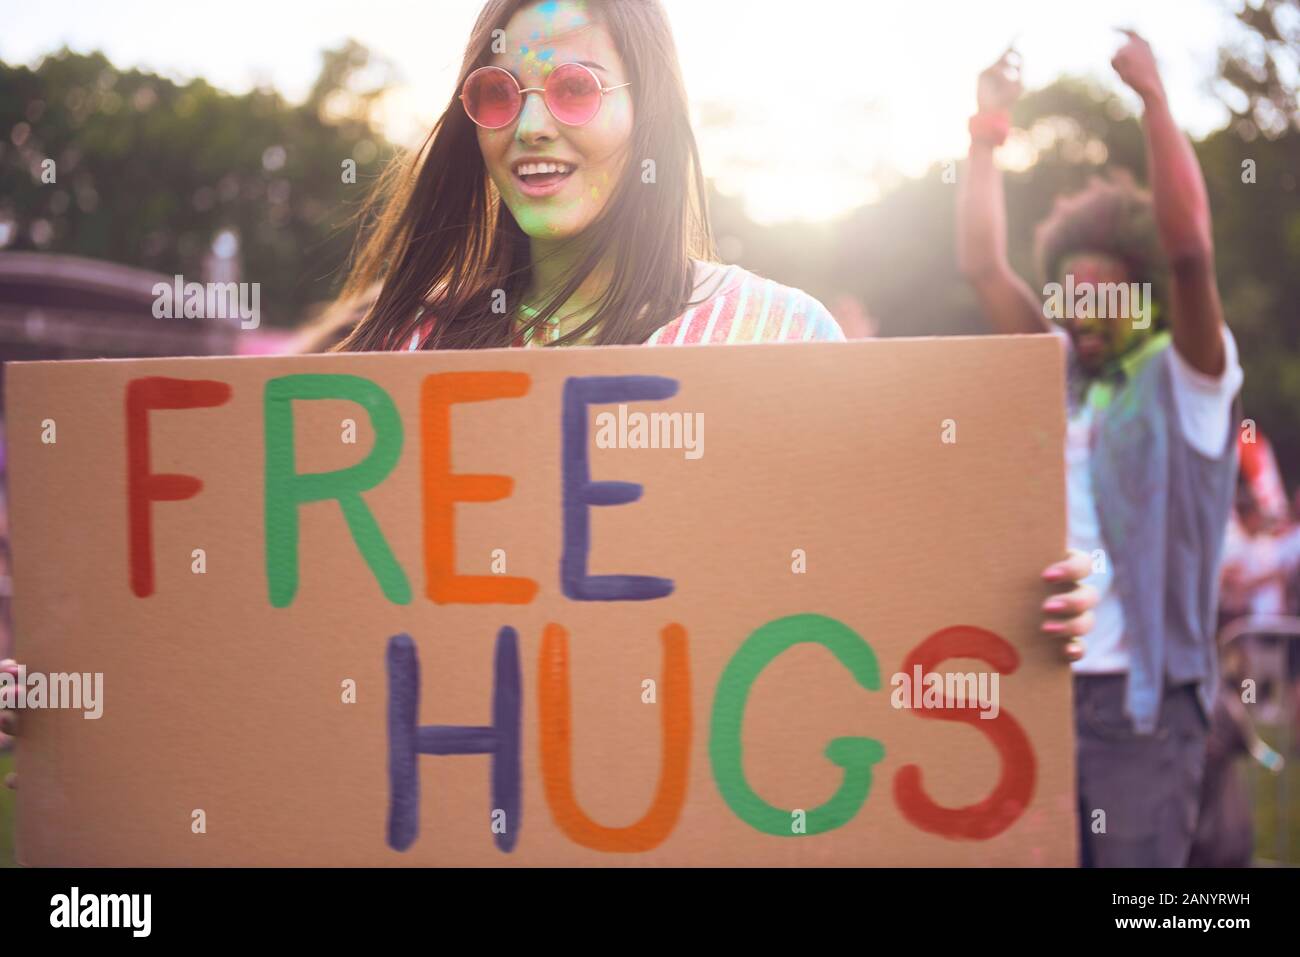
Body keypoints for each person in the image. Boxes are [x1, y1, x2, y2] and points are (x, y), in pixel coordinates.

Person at [3, 0, 1098, 791]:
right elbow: (265, 613)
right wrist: (65, 678)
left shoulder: (780, 335)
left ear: (650, 114)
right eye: (498, 92)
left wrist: (1024, 597)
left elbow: (877, 592)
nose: (530, 124)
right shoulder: (410, 352)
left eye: (574, 87)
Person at [957, 36, 1244, 866]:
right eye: (1066, 299)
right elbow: (981, 263)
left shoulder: (1187, 378)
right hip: (1043, 688)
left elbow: (1191, 252)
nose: (1078, 318)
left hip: (1142, 708)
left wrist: (1156, 102)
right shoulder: (1062, 376)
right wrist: (985, 125)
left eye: (1101, 301)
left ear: (1145, 300)